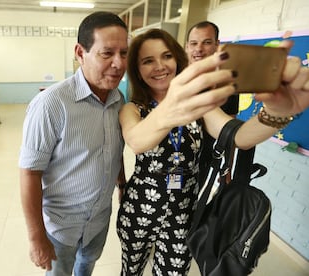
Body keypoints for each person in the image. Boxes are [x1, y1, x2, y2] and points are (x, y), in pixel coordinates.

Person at [116, 28, 309, 276]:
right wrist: (171, 108)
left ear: (176, 58)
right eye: (148, 60)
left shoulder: (200, 107)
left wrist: (278, 114)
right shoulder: (132, 109)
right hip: (139, 207)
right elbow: (136, 140)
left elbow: (239, 137)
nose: (160, 66)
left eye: (166, 56)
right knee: (130, 271)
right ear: (137, 70)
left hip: (183, 213)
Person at [19, 11, 128, 276]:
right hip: (61, 226)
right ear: (80, 52)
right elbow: (30, 173)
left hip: (99, 219)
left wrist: (122, 185)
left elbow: (115, 150)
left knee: (86, 266)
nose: (118, 64)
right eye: (107, 53)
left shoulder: (118, 100)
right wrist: (36, 238)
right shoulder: (51, 105)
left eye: (124, 53)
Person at [185, 21, 239, 183]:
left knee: (193, 208)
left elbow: (231, 132)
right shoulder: (173, 78)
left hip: (202, 163)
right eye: (194, 43)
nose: (199, 49)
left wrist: (227, 169)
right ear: (187, 46)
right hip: (165, 164)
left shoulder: (227, 84)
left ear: (217, 45)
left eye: (207, 43)